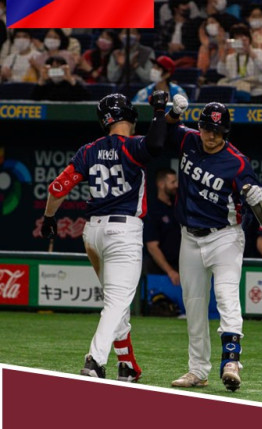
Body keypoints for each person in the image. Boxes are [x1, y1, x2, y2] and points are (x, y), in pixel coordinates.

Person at [39, 91, 168, 381]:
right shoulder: (133, 146)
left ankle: (128, 364)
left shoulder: (89, 150)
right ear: (130, 117)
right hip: (123, 232)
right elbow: (157, 143)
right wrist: (160, 111)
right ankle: (95, 360)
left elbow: (57, 188)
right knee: (116, 302)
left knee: (115, 301)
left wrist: (49, 218)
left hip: (93, 233)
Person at [165, 95, 262, 391]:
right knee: (194, 305)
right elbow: (165, 130)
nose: (211, 136)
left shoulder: (236, 162)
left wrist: (259, 196)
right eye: (208, 129)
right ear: (200, 127)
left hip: (225, 236)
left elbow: (257, 196)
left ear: (226, 133)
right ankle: (197, 370)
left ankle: (231, 361)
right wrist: (172, 113)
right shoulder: (189, 140)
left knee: (225, 295)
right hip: (189, 236)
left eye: (218, 131)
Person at [144, 168, 181, 285]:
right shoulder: (153, 210)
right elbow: (152, 246)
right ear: (161, 184)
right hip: (159, 273)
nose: (176, 185)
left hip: (182, 270)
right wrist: (170, 271)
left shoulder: (179, 208)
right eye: (172, 182)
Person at [217, 23, 262, 104]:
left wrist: (249, 50)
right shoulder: (231, 57)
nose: (240, 42)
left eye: (243, 39)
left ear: (249, 39)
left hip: (257, 92)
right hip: (237, 91)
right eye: (237, 39)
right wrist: (225, 51)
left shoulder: (258, 53)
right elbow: (220, 71)